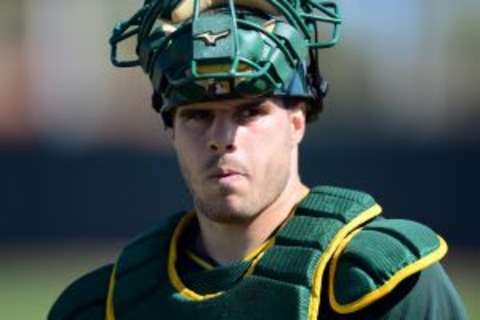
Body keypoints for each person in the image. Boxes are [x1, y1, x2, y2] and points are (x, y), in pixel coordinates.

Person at [48, 0, 467, 319]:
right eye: (197, 115)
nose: (222, 139)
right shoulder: (100, 306)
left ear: (297, 119)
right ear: (170, 130)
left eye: (250, 111)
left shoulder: (385, 289)